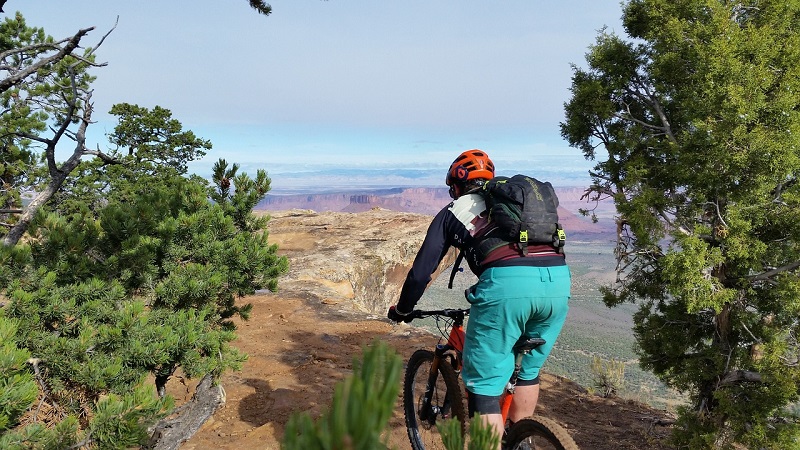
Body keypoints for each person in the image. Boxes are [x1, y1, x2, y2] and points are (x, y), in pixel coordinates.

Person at [387, 149, 571, 446]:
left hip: (507, 287)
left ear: (456, 185)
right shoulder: (514, 205)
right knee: (527, 372)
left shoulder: (453, 211)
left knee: (484, 387)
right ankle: (521, 440)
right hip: (558, 281)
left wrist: (403, 309)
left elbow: (421, 272)